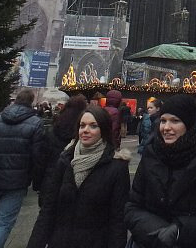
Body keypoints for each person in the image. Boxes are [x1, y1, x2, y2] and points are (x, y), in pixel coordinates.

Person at [125, 94, 196, 248]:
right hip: (149, 242)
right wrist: (157, 229)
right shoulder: (151, 154)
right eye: (163, 120)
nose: (166, 127)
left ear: (189, 124)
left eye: (175, 121)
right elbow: (132, 207)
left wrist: (179, 231)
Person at [27, 106, 130, 248]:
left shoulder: (117, 167)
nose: (85, 130)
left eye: (93, 126)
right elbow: (48, 209)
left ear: (104, 130)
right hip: (60, 241)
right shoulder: (65, 160)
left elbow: (118, 220)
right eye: (82, 125)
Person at [0, 88, 45, 248]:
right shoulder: (35, 123)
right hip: (16, 181)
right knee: (3, 224)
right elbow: (37, 156)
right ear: (31, 102)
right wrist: (37, 181)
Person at [36, 94, 88, 205]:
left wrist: (37, 183)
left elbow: (41, 161)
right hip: (76, 185)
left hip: (50, 182)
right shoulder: (84, 135)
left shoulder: (52, 132)